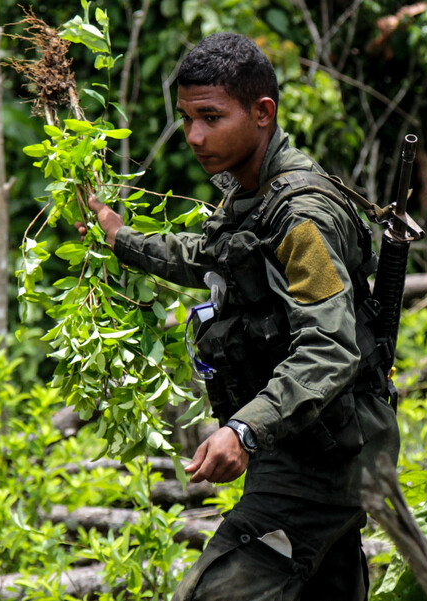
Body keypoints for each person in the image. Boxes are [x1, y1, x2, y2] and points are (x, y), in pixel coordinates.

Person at [78, 33, 400, 600]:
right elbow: (214, 257)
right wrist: (121, 238)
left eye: (210, 117)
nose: (194, 137)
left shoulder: (301, 218)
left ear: (262, 112)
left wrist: (245, 430)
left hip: (323, 457)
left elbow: (330, 349)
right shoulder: (252, 194)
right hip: (311, 441)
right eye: (186, 119)